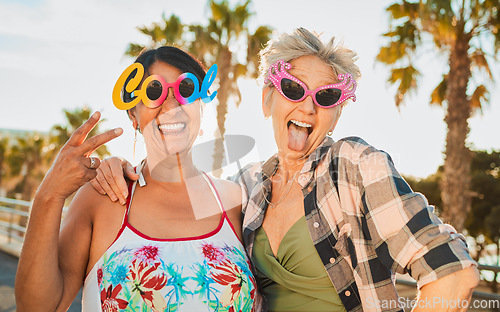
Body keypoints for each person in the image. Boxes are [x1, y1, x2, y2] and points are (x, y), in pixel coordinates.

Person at [91, 28, 479, 312]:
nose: (308, 108)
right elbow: (170, 196)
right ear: (267, 100)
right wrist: (117, 166)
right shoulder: (248, 187)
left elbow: (454, 275)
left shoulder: (355, 166)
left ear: (336, 114)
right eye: (294, 90)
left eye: (325, 97)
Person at [15, 46, 258, 312]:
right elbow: (38, 307)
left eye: (185, 89)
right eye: (154, 92)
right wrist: (49, 194)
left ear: (201, 107)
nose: (171, 106)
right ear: (133, 115)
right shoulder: (101, 199)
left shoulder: (237, 200)